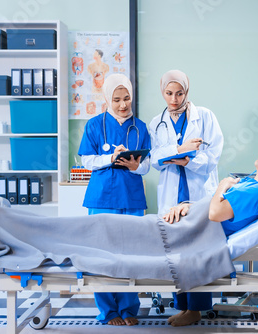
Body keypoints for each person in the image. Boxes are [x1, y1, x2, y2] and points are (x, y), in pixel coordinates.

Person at [163, 133, 258, 326]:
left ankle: (193, 310)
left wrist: (223, 184)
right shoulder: (249, 182)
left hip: (202, 232)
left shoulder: (255, 191)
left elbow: (215, 213)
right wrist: (187, 206)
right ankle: (189, 309)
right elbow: (212, 204)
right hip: (191, 222)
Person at [148, 69, 223, 327]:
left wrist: (187, 160)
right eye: (169, 93)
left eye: (179, 93)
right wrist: (178, 151)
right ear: (162, 92)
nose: (174, 98)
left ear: (187, 92)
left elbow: (213, 156)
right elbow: (155, 159)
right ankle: (182, 306)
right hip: (171, 196)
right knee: (174, 252)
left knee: (198, 252)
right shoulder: (155, 122)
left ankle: (198, 308)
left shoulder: (205, 117)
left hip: (198, 194)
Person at [78, 73, 151, 326]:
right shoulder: (95, 125)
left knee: (131, 255)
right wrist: (110, 159)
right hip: (102, 198)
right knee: (102, 255)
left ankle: (129, 309)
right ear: (108, 99)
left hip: (131, 197)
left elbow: (147, 166)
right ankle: (108, 311)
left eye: (127, 98)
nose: (123, 104)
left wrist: (134, 166)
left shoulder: (140, 127)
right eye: (117, 99)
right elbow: (86, 161)